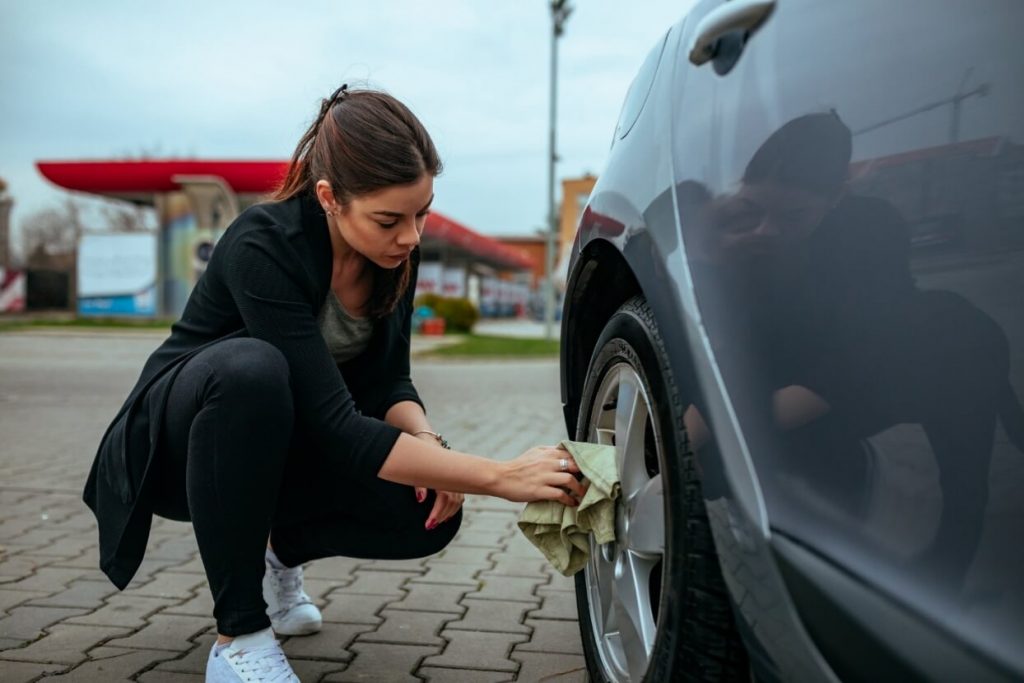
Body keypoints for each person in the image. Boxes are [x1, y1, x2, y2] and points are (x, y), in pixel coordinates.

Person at [82, 84, 585, 683]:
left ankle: (275, 556)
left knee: (427, 509)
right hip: (178, 450)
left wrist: (431, 444)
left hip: (286, 446)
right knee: (252, 369)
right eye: (389, 219)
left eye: (421, 214)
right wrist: (500, 476)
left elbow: (389, 381)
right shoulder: (262, 243)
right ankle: (238, 638)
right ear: (329, 197)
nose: (411, 236)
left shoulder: (395, 256)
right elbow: (338, 426)